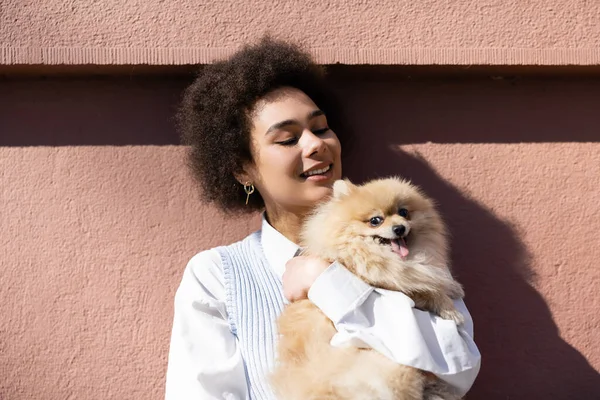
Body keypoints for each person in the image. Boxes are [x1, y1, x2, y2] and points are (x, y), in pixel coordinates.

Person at [165, 37, 481, 400]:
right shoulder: (218, 277)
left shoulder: (403, 246)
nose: (315, 145)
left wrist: (328, 283)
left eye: (321, 128)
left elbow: (457, 365)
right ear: (242, 170)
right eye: (287, 139)